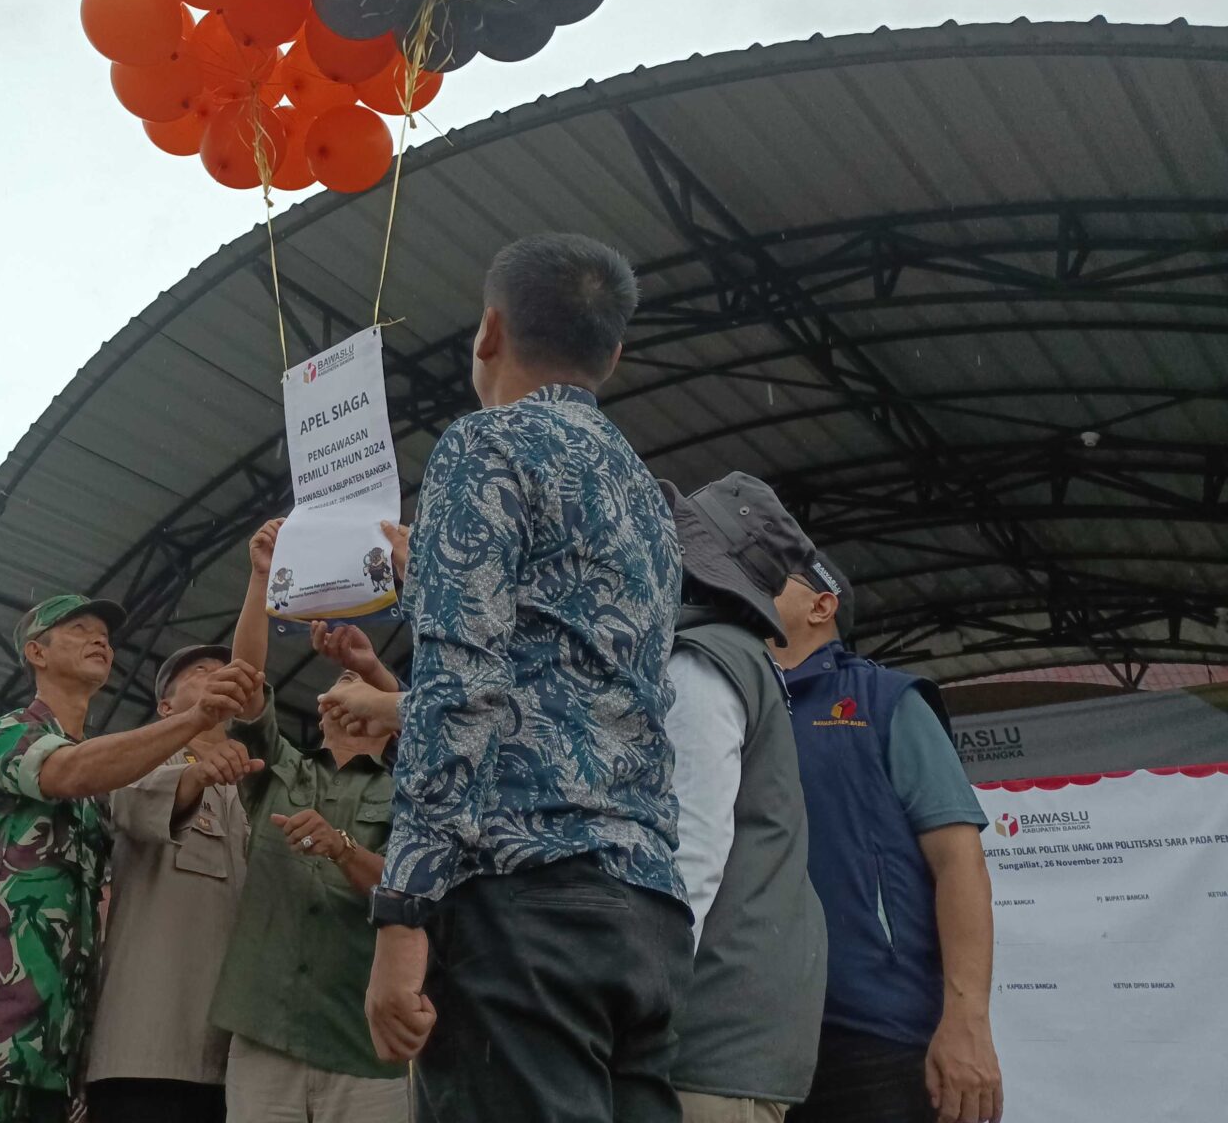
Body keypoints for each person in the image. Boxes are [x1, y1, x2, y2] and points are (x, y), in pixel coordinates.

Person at [364, 233, 689, 1123]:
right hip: (646, 914)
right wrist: (428, 571)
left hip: (522, 901)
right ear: (613, 355)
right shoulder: (651, 503)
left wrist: (403, 913)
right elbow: (578, 647)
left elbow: (460, 685)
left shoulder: (485, 446)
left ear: (489, 331)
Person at [0, 592, 262, 1123]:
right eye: (77, 628)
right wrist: (196, 719)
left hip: (56, 1045)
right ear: (37, 652)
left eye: (104, 633)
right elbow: (67, 771)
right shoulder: (10, 735)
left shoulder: (102, 788)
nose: (99, 638)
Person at [767, 549, 1004, 1123]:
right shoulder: (731, 705)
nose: (747, 587)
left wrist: (967, 1021)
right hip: (753, 1038)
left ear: (823, 605)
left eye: (772, 578)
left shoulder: (887, 701)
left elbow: (959, 862)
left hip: (878, 1036)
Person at [211, 518, 408, 1123]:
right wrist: (261, 579)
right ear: (322, 711)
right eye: (340, 681)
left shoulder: (414, 797)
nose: (348, 686)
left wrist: (343, 848)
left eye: (363, 684)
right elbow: (245, 685)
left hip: (366, 1049)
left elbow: (411, 895)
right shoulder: (282, 773)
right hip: (266, 1034)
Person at [657, 474, 831, 1121]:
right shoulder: (738, 656)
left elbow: (686, 861)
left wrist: (633, 1025)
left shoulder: (700, 664)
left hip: (701, 1051)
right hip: (735, 1038)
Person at [84, 642, 260, 1123]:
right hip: (146, 1049)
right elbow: (138, 804)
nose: (216, 675)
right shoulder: (137, 758)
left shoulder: (255, 784)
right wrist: (197, 775)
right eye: (200, 672)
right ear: (165, 706)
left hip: (236, 1057)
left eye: (224, 671)